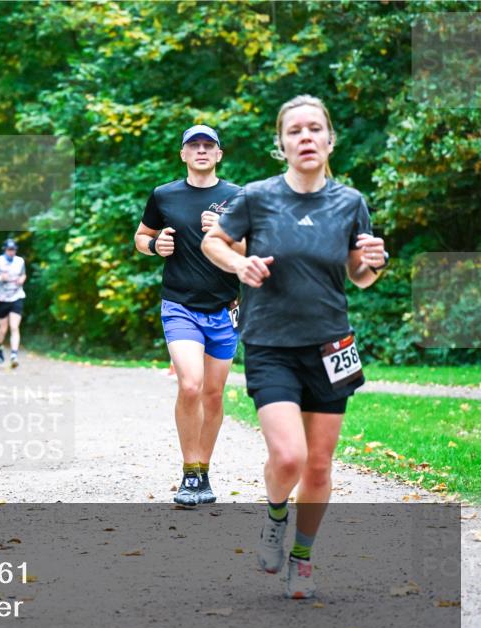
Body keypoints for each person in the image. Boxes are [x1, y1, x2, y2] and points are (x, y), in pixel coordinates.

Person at [201, 95, 388, 599]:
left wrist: (375, 260)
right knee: (288, 458)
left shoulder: (350, 202)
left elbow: (360, 275)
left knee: (321, 465)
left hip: (332, 345)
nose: (306, 137)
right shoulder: (257, 197)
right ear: (280, 145)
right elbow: (213, 242)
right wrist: (239, 266)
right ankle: (275, 516)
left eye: (315, 129)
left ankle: (302, 558)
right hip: (271, 345)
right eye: (295, 131)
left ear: (330, 141)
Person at [134, 124, 244, 508]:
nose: (200, 150)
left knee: (213, 395)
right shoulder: (164, 195)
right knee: (191, 386)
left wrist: (228, 232)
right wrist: (154, 245)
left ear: (218, 154)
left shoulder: (237, 197)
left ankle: (203, 473)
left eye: (207, 145)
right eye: (193, 145)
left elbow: (252, 248)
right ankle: (188, 471)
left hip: (224, 308)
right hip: (179, 305)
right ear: (183, 154)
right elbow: (141, 237)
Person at [0, 239, 26, 368]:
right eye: (9, 250)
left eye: (13, 250)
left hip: (16, 297)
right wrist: (0, 278)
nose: (12, 252)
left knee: (14, 326)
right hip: (1, 299)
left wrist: (21, 280)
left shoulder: (20, 261)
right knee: (3, 329)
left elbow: (24, 275)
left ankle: (14, 355)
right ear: (5, 250)